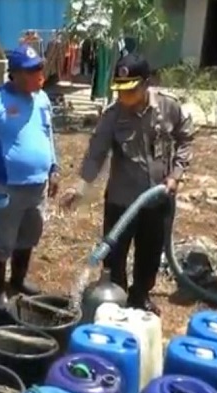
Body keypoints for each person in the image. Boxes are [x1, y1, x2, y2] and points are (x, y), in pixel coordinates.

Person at [60, 53, 195, 315]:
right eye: (120, 91)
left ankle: (140, 295)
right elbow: (96, 153)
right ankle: (116, 298)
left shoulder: (169, 108)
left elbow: (185, 139)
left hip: (158, 198)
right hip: (121, 200)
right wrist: (81, 189)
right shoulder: (113, 115)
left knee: (150, 252)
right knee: (114, 254)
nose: (124, 97)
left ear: (147, 83)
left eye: (130, 90)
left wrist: (176, 174)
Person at [0, 44, 60, 305]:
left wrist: (54, 168)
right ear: (17, 74)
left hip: (38, 186)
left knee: (29, 235)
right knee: (1, 242)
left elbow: (48, 134)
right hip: (6, 186)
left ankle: (18, 281)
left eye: (40, 68)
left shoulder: (42, 99)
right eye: (33, 71)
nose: (40, 74)